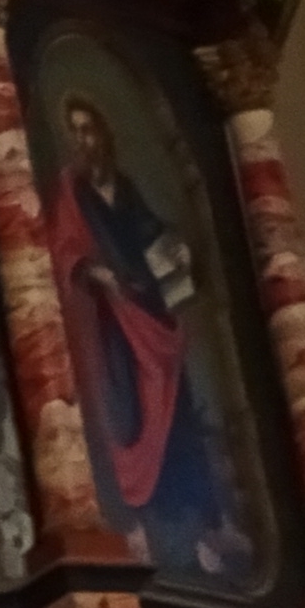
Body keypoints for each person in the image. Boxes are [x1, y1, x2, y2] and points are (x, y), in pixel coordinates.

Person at [46, 95, 253, 577]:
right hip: (110, 321)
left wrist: (174, 248)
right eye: (75, 131)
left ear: (103, 133)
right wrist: (93, 271)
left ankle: (207, 527)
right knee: (127, 415)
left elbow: (149, 233)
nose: (82, 140)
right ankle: (135, 527)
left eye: (89, 129)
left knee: (178, 415)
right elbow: (64, 249)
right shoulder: (72, 190)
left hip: (149, 310)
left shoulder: (124, 185)